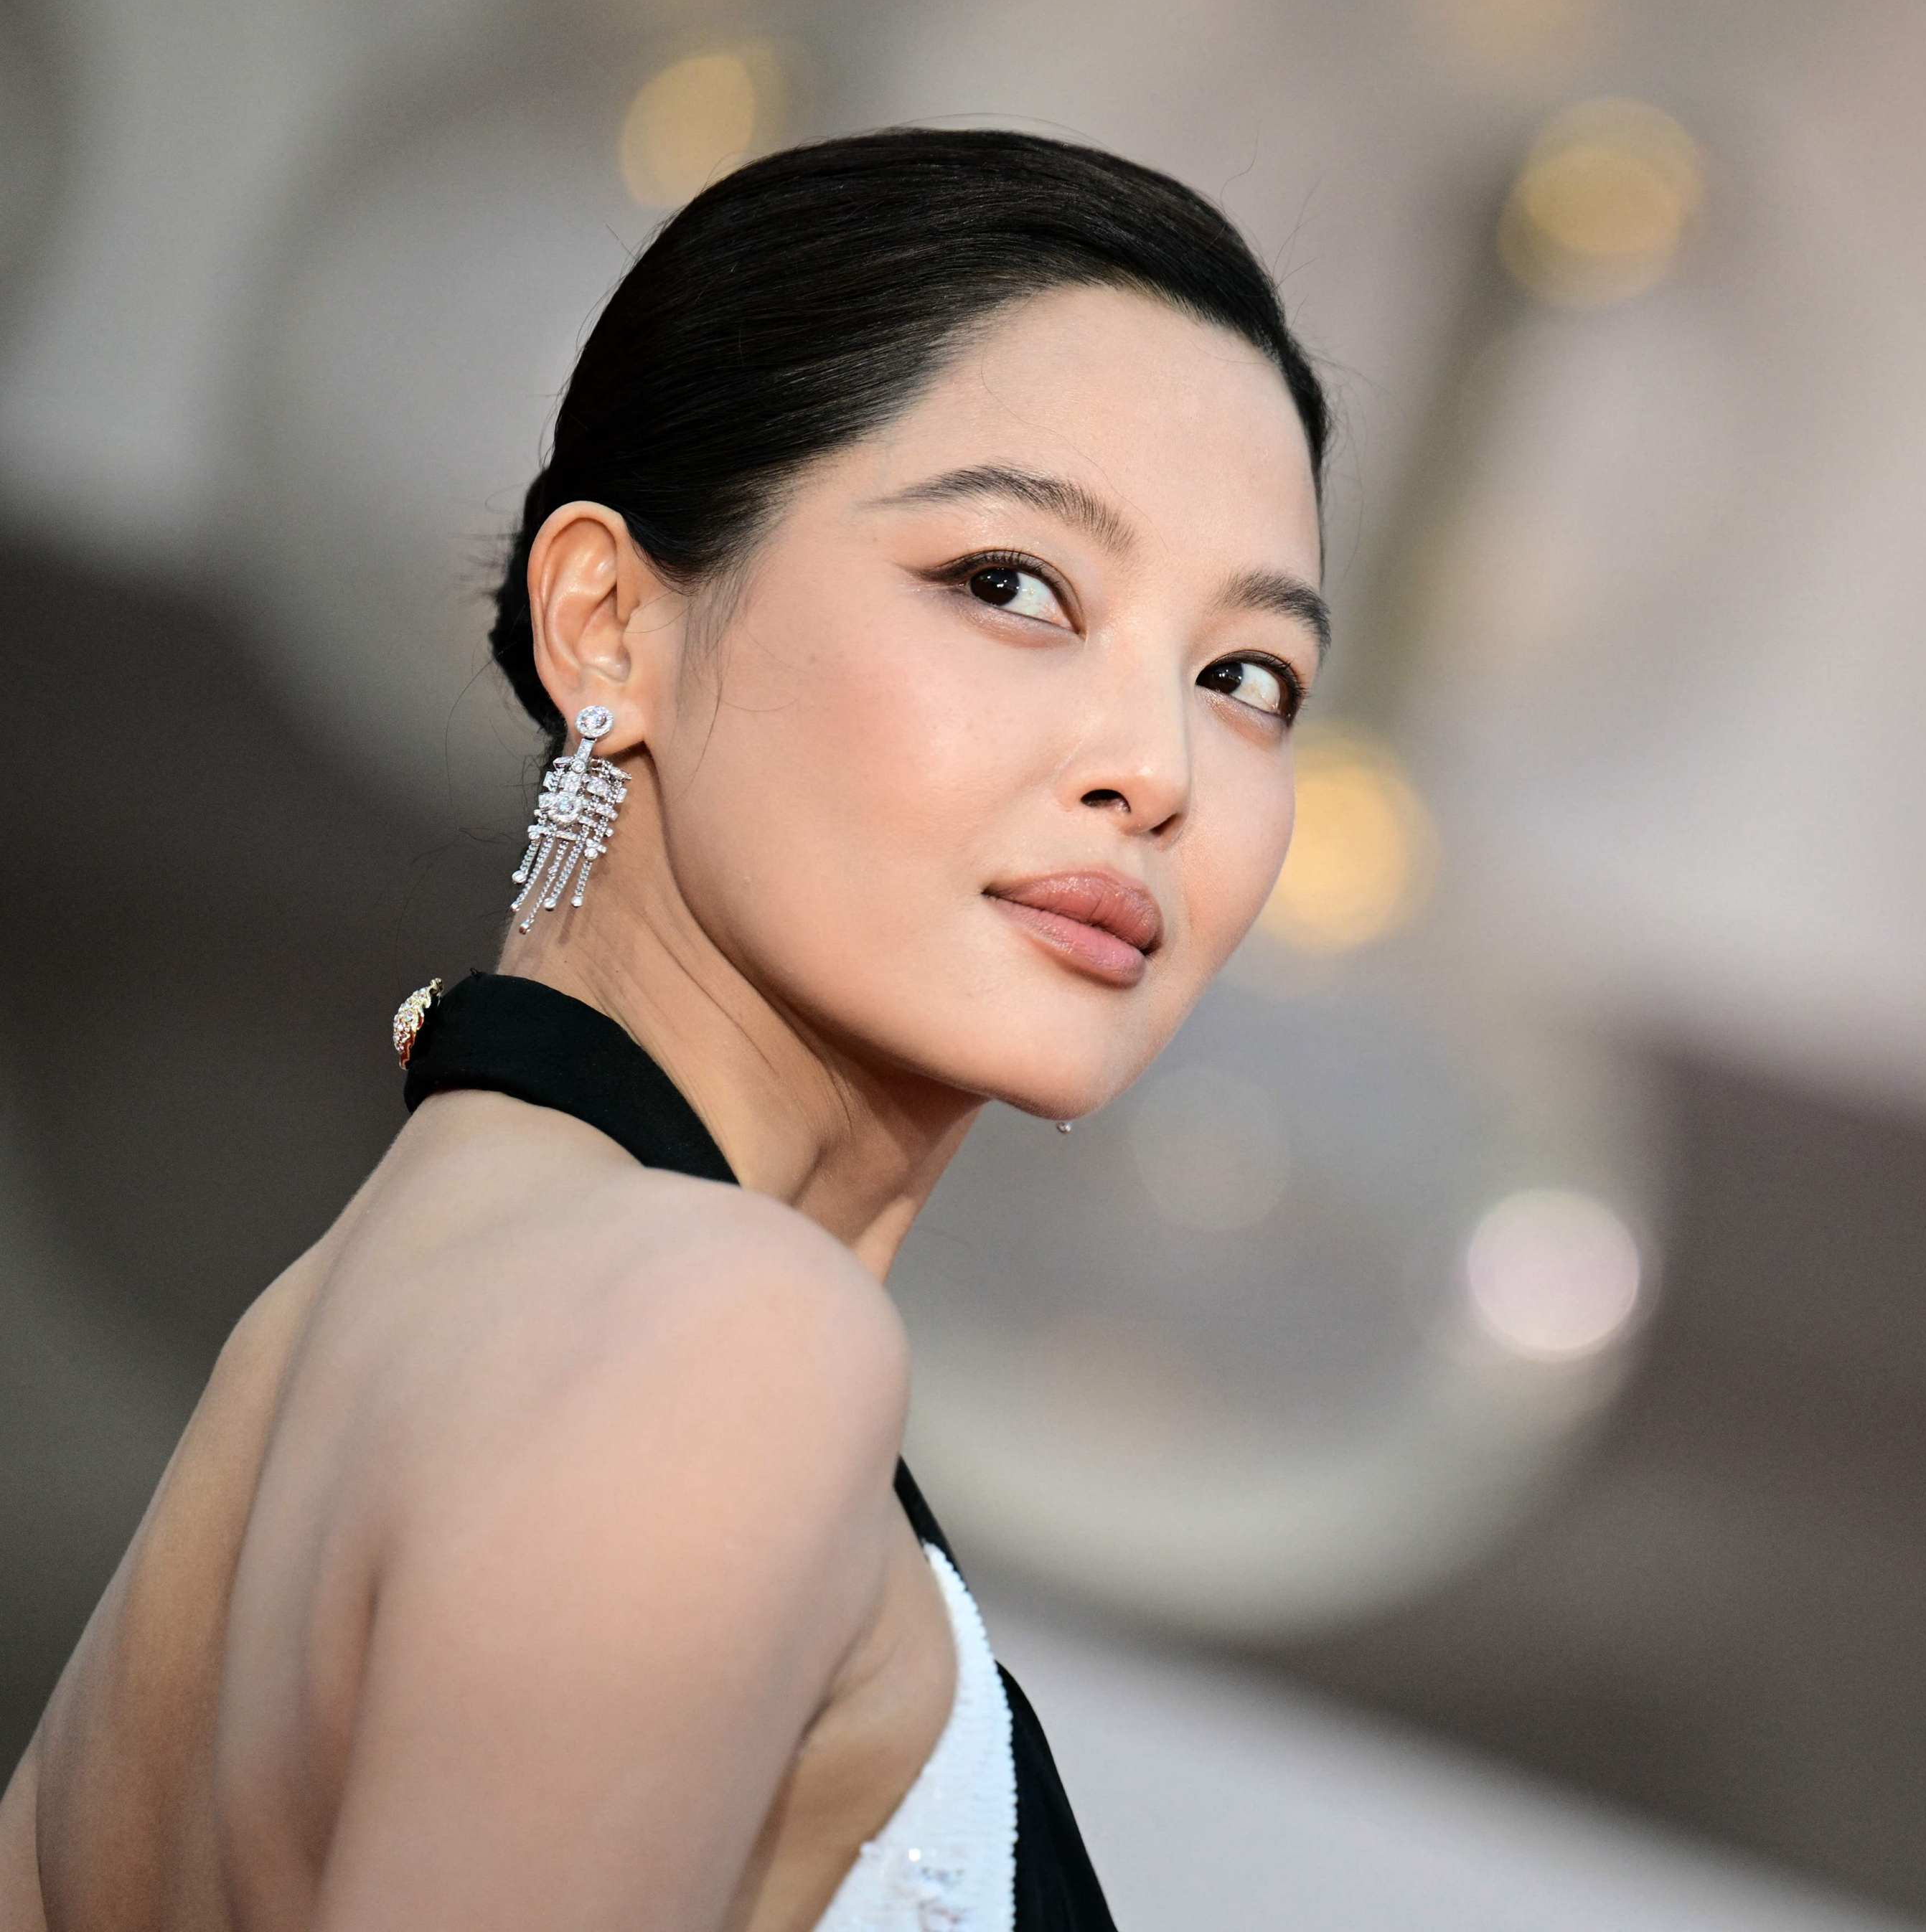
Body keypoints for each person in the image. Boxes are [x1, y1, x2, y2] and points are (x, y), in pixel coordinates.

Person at [0, 126, 1333, 1931]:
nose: (1157, 767)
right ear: (609, 620)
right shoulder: (723, 1339)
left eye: (1245, 676)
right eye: (1011, 583)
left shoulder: (333, 1330)